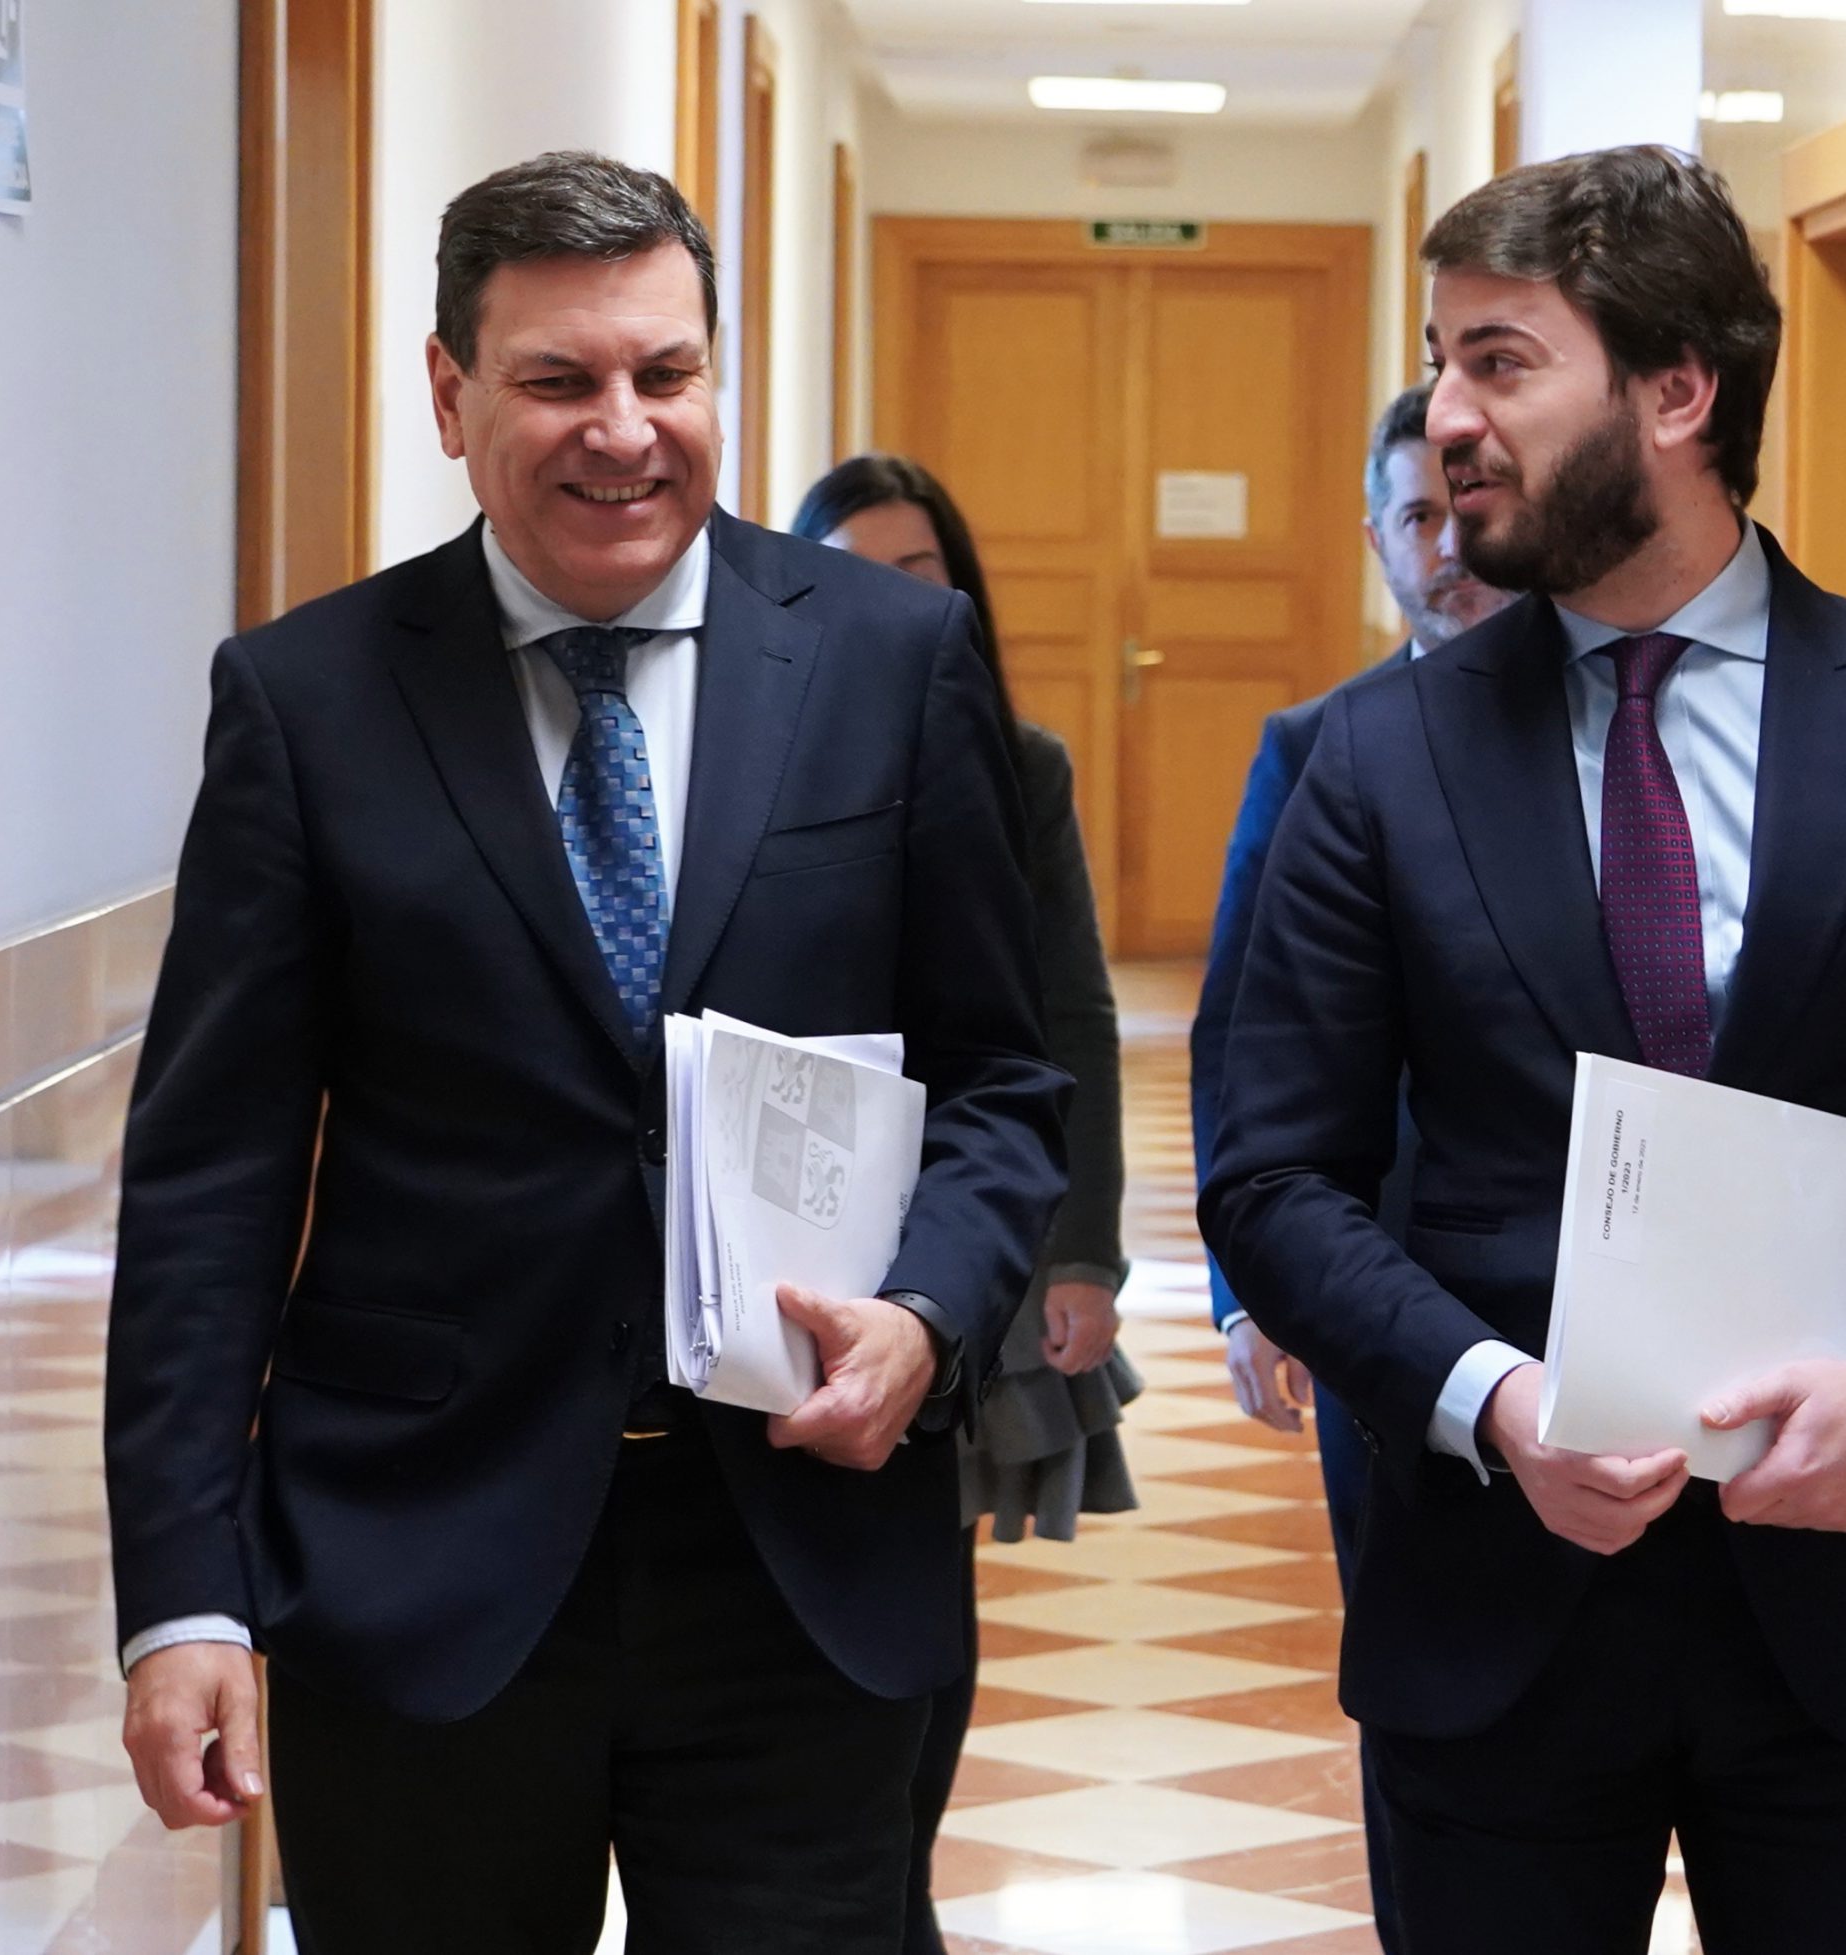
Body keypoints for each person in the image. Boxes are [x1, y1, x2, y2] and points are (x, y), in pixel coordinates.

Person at [1201, 145, 1846, 1955]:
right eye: (1441, 363)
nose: (1447, 418)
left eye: (1501, 361)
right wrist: (1497, 1408)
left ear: (1677, 391)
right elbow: (1275, 1179)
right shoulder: (1376, 762)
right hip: (1493, 1607)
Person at [103, 152, 1068, 1955]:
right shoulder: (308, 702)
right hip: (421, 1570)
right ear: (452, 395)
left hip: (801, 1558)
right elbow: (210, 1185)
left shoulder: (891, 661)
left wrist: (928, 1314)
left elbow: (1003, 1086)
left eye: (667, 374)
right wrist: (183, 1604)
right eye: (560, 381)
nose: (625, 432)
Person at [790, 453, 1139, 1955]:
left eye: (918, 569)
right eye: (854, 566)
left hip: (965, 1216)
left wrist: (1081, 1252)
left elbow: (1068, 1013)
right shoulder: (760, 756)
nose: (890, 597)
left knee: (922, 1549)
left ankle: (899, 1889)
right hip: (799, 1230)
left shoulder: (1020, 762)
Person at [1189, 382, 1504, 1952]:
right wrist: (1253, 1298)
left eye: (1466, 509)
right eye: (1415, 519)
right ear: (1376, 539)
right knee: (1420, 1663)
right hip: (1371, 1296)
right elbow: (1237, 1032)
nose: (1448, 549)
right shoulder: (1315, 747)